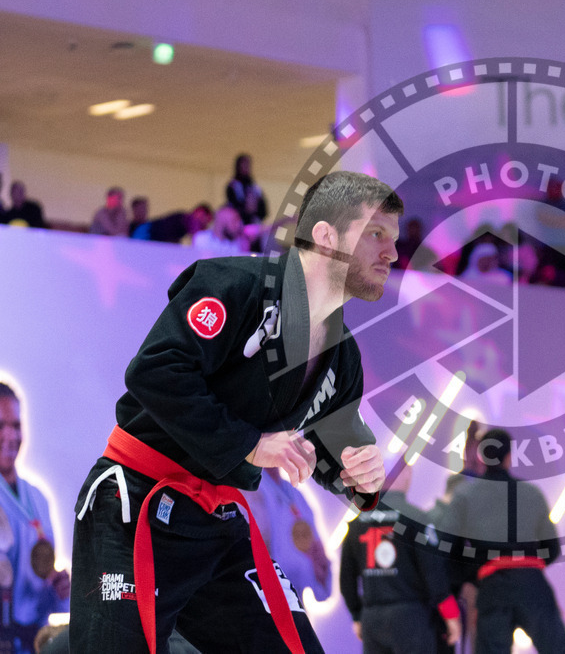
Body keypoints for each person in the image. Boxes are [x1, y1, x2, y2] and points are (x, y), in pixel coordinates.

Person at [69, 170, 401, 653]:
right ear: (326, 236)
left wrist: (362, 478)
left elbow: (339, 445)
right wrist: (250, 444)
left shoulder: (342, 353)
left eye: (393, 239)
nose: (391, 253)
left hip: (219, 520)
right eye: (376, 234)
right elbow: (155, 371)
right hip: (136, 501)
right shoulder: (235, 285)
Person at [442, 429, 565, 654]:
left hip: (492, 588)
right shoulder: (531, 493)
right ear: (509, 456)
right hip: (532, 586)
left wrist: (474, 575)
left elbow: (448, 548)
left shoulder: (464, 496)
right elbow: (552, 548)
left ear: (481, 456)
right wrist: (527, 566)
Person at [341, 465, 461, 654]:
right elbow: (432, 570)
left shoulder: (357, 523)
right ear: (404, 474)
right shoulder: (416, 517)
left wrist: (357, 615)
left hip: (373, 619)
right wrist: (450, 613)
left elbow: (346, 577)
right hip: (412, 617)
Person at [0, 384, 69, 654]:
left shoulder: (39, 498)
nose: (10, 435)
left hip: (35, 642)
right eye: (0, 425)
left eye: (16, 425)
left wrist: (60, 588)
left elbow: (43, 589)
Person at [242, 469, 332, 604]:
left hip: (296, 602)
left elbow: (317, 549)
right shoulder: (250, 491)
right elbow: (255, 551)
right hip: (269, 601)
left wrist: (319, 567)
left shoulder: (294, 492)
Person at [132, 204, 213, 244]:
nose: (206, 223)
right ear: (200, 213)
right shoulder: (191, 219)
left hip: (146, 232)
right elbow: (196, 239)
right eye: (207, 219)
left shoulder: (183, 216)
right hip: (146, 233)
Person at [225, 153, 267, 225]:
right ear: (238, 166)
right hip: (238, 224)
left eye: (248, 165)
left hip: (254, 223)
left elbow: (263, 210)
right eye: (243, 165)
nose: (246, 167)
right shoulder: (233, 186)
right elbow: (232, 206)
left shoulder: (255, 188)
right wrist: (246, 208)